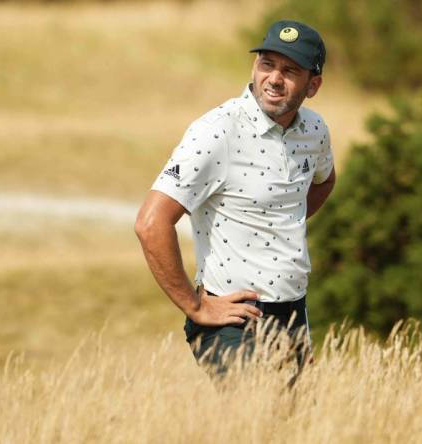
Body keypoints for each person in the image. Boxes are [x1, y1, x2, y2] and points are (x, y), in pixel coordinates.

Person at [134, 20, 335, 378]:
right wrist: (195, 306)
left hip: (292, 313)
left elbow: (324, 179)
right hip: (232, 320)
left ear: (313, 85)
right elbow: (151, 223)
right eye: (267, 64)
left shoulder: (315, 131)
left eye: (290, 70)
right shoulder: (216, 131)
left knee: (297, 428)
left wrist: (281, 224)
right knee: (251, 423)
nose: (274, 78)